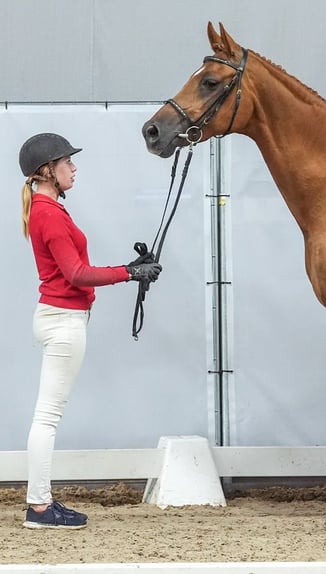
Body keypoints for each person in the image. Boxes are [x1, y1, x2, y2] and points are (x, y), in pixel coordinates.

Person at [18, 133, 162, 529]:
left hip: (61, 318)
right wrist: (130, 273)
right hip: (63, 322)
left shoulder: (50, 210)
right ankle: (40, 508)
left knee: (47, 416)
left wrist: (129, 269)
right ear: (48, 171)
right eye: (67, 162)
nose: (74, 167)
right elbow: (77, 274)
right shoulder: (48, 213)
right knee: (47, 417)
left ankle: (41, 503)